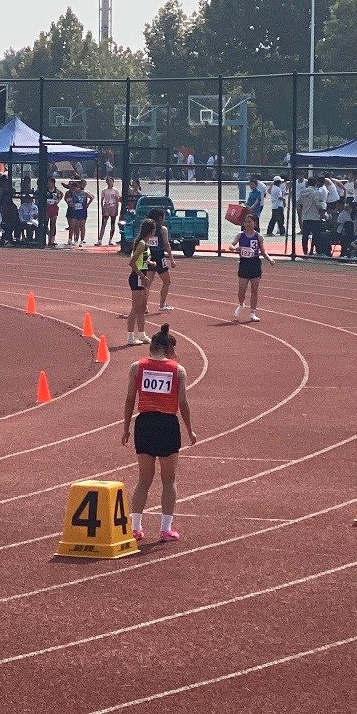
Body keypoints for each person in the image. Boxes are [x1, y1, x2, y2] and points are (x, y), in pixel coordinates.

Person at [121, 324, 196, 543]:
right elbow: (183, 404)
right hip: (167, 425)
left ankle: (135, 528)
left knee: (143, 479)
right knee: (168, 480)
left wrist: (126, 428)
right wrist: (190, 429)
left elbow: (129, 399)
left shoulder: (137, 367)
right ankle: (165, 529)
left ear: (151, 346)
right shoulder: (178, 370)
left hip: (144, 423)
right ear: (170, 349)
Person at [231, 211, 274, 321]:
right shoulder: (240, 235)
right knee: (241, 290)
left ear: (255, 223)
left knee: (254, 290)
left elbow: (263, 251)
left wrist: (269, 259)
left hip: (255, 263)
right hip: (244, 263)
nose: (247, 224)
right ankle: (241, 304)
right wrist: (234, 248)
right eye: (245, 222)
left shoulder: (258, 237)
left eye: (249, 222)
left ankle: (252, 313)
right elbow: (232, 245)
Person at [126, 218, 155, 345]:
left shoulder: (145, 244)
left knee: (142, 308)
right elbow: (132, 263)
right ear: (151, 231)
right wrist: (142, 276)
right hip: (137, 276)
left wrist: (149, 262)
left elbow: (142, 260)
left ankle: (142, 334)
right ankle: (130, 337)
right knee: (135, 308)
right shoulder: (142, 244)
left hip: (142, 275)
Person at [147, 208, 176, 312]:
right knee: (167, 281)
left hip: (149, 256)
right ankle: (162, 305)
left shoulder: (146, 228)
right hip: (159, 256)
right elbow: (166, 244)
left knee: (147, 284)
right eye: (163, 217)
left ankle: (144, 306)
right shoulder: (162, 229)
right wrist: (172, 259)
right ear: (159, 218)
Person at [63, 180, 93, 247]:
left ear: (79, 187)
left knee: (82, 226)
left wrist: (87, 204)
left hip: (82, 211)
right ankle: (70, 239)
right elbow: (67, 198)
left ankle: (81, 240)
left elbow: (92, 197)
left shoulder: (84, 193)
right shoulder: (72, 193)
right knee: (72, 224)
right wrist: (70, 204)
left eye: (76, 187)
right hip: (75, 211)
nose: (75, 189)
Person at [97, 176, 121, 246]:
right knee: (103, 223)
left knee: (112, 224)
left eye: (110, 181)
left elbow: (117, 200)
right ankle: (100, 239)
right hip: (106, 207)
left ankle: (110, 239)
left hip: (113, 208)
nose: (109, 182)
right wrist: (102, 208)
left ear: (113, 182)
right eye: (107, 181)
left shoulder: (115, 190)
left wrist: (116, 209)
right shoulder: (104, 190)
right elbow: (102, 200)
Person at [44, 176, 62, 246]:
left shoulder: (56, 190)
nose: (48, 184)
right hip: (47, 207)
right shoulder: (45, 190)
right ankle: (47, 235)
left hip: (54, 208)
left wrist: (58, 200)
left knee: (53, 224)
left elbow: (61, 194)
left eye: (50, 182)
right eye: (48, 182)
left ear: (53, 183)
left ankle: (51, 240)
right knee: (45, 223)